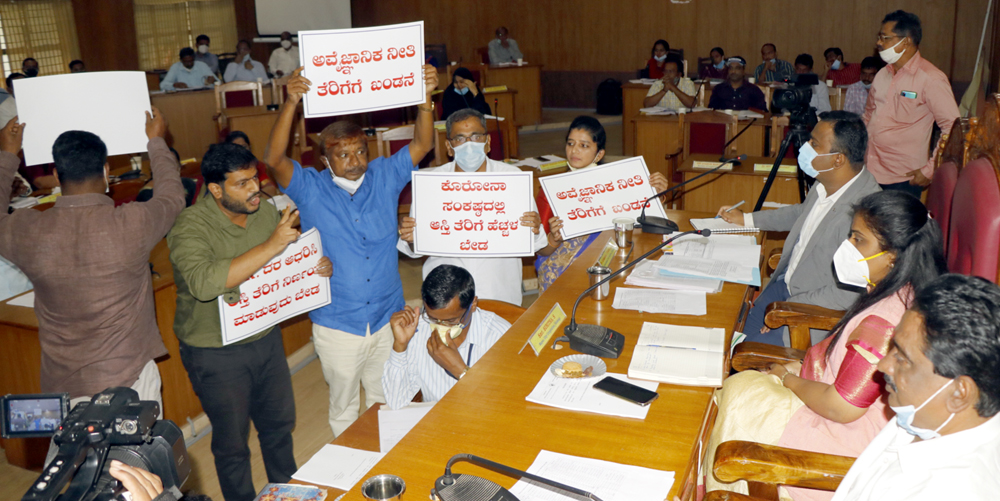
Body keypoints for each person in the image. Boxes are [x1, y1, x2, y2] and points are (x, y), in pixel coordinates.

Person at [705, 190, 947, 501]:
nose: (847, 247)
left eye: (858, 240)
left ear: (893, 256)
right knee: (742, 389)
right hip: (857, 422)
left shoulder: (887, 320)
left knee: (740, 397)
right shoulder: (903, 290)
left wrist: (790, 380)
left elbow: (841, 407)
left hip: (845, 444)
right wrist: (800, 368)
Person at [264, 65, 438, 436]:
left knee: (386, 398)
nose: (355, 160)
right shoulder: (310, 187)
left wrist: (425, 102)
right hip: (337, 321)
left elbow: (422, 146)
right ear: (325, 160)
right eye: (343, 154)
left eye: (361, 151)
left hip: (387, 315)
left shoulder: (385, 175)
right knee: (344, 407)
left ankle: (386, 469)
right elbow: (274, 160)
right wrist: (292, 101)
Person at [167, 142, 330, 501]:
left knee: (278, 428)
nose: (255, 188)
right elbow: (205, 283)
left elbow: (287, 260)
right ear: (215, 189)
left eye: (254, 178)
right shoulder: (189, 227)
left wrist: (315, 266)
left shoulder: (265, 213)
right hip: (216, 353)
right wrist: (273, 245)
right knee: (232, 444)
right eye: (242, 183)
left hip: (266, 337)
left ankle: (287, 494)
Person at [0, 108, 184, 406]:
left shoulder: (27, 229)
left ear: (58, 176)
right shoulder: (132, 223)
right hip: (130, 380)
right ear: (106, 171)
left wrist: (8, 155)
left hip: (63, 389)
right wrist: (156, 142)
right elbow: (172, 197)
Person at [831, 274, 1000, 501]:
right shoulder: (924, 414)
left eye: (903, 359)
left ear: (960, 393)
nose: (883, 365)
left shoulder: (956, 491)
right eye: (893, 347)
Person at [718, 111, 881, 344]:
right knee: (728, 331)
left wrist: (788, 310)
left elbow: (846, 295)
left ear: (838, 159)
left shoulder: (868, 215)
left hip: (808, 316)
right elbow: (801, 213)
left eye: (814, 144)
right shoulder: (828, 180)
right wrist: (747, 219)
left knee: (738, 357)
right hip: (785, 287)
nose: (805, 147)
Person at [397, 107, 546, 305]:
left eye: (476, 137)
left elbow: (536, 242)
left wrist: (534, 229)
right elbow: (417, 247)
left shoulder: (512, 179)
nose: (469, 145)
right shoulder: (430, 184)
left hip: (499, 289)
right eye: (459, 138)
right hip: (446, 297)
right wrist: (410, 237)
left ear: (488, 142)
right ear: (449, 147)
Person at [535, 116, 668, 291]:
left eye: (584, 145)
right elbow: (541, 251)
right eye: (570, 143)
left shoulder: (616, 183)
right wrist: (553, 239)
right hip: (563, 267)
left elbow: (643, 229)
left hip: (612, 259)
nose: (574, 150)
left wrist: (656, 196)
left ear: (599, 154)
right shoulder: (552, 189)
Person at [383, 265, 510, 409]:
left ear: (473, 304)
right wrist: (400, 345)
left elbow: (505, 403)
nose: (441, 326)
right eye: (433, 319)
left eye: (451, 321)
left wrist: (460, 371)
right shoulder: (419, 329)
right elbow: (395, 401)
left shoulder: (500, 336)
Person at [864, 10, 959, 199]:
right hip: (869, 172)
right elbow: (868, 115)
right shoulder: (882, 74)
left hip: (903, 179)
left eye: (885, 37)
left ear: (905, 41)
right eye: (879, 37)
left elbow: (952, 128)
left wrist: (929, 170)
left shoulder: (931, 79)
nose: (879, 43)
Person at [224, 131, 279, 197]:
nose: (242, 151)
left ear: (249, 147)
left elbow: (270, 188)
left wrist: (254, 197)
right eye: (237, 148)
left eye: (244, 147)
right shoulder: (224, 170)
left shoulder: (257, 165)